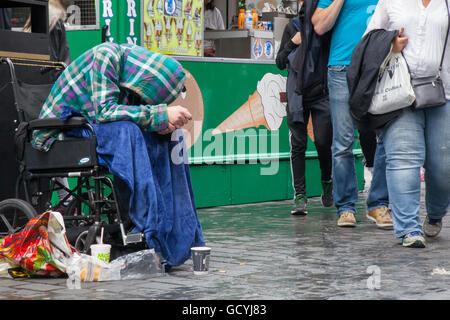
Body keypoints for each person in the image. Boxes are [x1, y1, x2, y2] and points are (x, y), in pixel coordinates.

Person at [31, 42, 205, 266]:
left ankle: (172, 230)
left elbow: (134, 115)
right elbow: (105, 111)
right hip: (60, 132)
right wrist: (160, 114)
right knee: (128, 132)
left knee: (172, 137)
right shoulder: (106, 56)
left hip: (90, 128)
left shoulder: (131, 78)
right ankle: (141, 220)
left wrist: (161, 123)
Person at [365, 0, 450, 247]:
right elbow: (369, 39)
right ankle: (409, 229)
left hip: (443, 92)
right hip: (399, 92)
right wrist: (389, 45)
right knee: (403, 159)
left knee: (443, 164)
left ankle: (435, 213)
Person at [312, 0, 393, 228]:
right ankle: (346, 207)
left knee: (386, 138)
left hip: (379, 66)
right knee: (342, 143)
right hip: (341, 67)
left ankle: (378, 204)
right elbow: (319, 25)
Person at [276, 1, 333, 215]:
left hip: (321, 91)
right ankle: (300, 196)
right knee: (298, 144)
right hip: (297, 93)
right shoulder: (292, 27)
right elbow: (280, 61)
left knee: (323, 140)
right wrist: (292, 42)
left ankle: (327, 180)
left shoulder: (325, 25)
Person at [24, 0, 72, 212]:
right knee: (56, 146)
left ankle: (65, 201)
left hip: (31, 100)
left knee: (46, 147)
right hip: (50, 96)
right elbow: (63, 64)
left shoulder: (29, 27)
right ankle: (67, 201)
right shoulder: (56, 23)